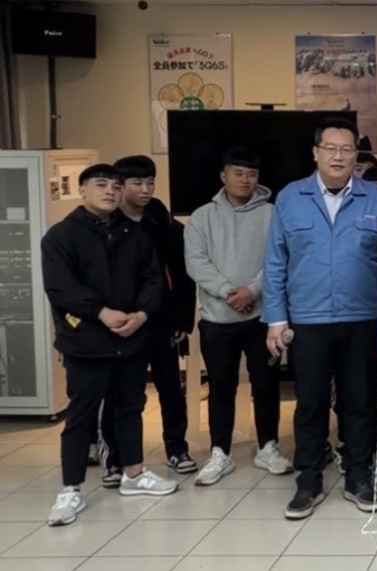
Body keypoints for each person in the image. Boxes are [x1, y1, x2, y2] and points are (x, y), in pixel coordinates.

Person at [263, 117, 377, 519]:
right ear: (315, 153)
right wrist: (276, 319)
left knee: (360, 402)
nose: (339, 156)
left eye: (347, 149)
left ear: (357, 155)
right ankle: (308, 480)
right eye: (331, 148)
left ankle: (359, 476)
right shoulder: (291, 198)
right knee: (310, 404)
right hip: (308, 320)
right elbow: (275, 261)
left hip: (363, 317)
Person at [43, 164, 177, 526]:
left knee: (130, 407)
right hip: (86, 342)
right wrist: (101, 313)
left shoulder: (134, 234)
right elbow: (60, 288)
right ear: (83, 190)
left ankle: (134, 473)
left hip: (131, 338)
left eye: (116, 187)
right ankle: (71, 489)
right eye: (101, 185)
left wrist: (142, 315)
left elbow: (153, 280)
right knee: (81, 416)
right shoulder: (61, 236)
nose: (110, 192)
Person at [185, 147, 291, 486]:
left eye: (252, 174)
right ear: (223, 176)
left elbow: (281, 257)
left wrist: (253, 290)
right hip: (217, 318)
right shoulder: (202, 216)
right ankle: (220, 452)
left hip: (263, 318)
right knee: (220, 387)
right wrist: (228, 291)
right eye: (238, 173)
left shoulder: (273, 214)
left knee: (266, 385)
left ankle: (268, 447)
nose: (245, 180)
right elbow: (196, 261)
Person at [107, 155, 195, 478]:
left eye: (150, 182)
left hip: (161, 319)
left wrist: (183, 319)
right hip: (122, 322)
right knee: (123, 394)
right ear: (121, 186)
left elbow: (182, 275)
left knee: (171, 388)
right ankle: (116, 457)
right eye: (137, 183)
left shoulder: (164, 223)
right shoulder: (108, 224)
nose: (145, 189)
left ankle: (177, 448)